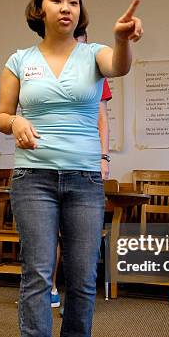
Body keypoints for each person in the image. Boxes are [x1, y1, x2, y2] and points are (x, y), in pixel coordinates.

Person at [0, 0, 142, 337]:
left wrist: (122, 39)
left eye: (74, 2)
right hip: (33, 179)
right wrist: (17, 122)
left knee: (81, 277)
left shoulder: (94, 54)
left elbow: (120, 65)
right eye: (57, 0)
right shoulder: (19, 60)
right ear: (39, 9)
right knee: (38, 277)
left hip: (83, 180)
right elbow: (2, 115)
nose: (66, 7)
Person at [52, 31, 112, 309]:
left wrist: (103, 157)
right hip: (47, 164)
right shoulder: (43, 66)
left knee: (78, 239)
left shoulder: (97, 70)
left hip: (84, 165)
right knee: (49, 236)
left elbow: (102, 117)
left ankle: (72, 299)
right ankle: (49, 289)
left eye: (83, 41)